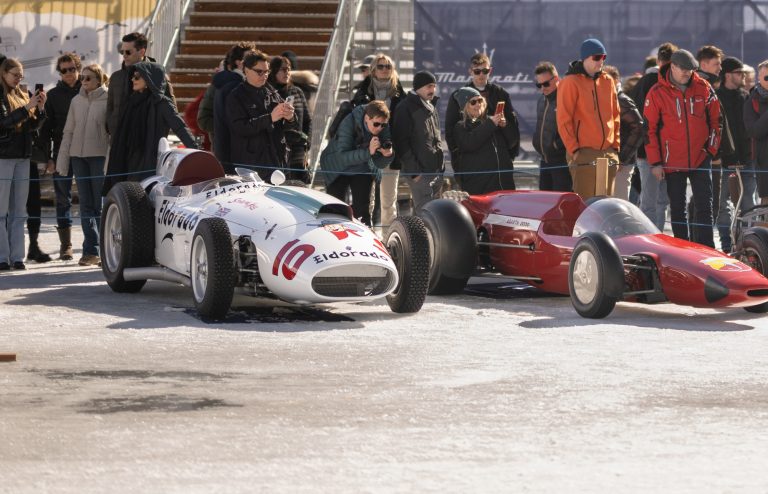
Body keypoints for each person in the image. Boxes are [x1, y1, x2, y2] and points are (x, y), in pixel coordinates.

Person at [644, 49, 721, 248]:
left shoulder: (703, 87)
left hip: (700, 157)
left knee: (705, 206)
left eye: (691, 69)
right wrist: (656, 162)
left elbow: (717, 121)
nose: (688, 73)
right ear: (673, 66)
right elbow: (649, 130)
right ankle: (682, 250)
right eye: (684, 69)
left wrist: (710, 150)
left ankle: (707, 248)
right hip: (671, 161)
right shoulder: (656, 92)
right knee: (677, 210)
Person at [102, 61, 197, 195]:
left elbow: (179, 127)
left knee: (142, 198)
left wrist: (196, 151)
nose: (132, 79)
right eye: (132, 76)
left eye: (137, 77)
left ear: (149, 79)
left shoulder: (162, 103)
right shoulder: (131, 102)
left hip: (149, 159)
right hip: (128, 159)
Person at [56, 64, 109, 266]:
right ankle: (90, 251)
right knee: (86, 205)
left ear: (99, 79)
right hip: (78, 157)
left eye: (88, 78)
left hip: (99, 157)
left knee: (101, 205)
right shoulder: (76, 101)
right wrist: (63, 159)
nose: (84, 81)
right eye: (83, 78)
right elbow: (68, 132)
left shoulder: (108, 99)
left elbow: (111, 134)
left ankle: (106, 252)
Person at [556, 38, 620, 199]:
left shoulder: (608, 81)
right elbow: (564, 119)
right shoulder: (570, 82)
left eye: (603, 57)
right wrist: (575, 150)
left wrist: (615, 147)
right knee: (586, 205)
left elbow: (616, 115)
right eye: (597, 57)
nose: (601, 61)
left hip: (608, 152)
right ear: (585, 57)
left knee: (606, 205)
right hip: (583, 152)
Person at [445, 53, 520, 189]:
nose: (481, 75)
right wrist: (458, 165)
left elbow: (513, 134)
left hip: (500, 170)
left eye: (484, 71)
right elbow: (453, 135)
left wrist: (504, 125)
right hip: (474, 171)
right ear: (471, 71)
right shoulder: (459, 96)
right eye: (477, 71)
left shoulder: (501, 93)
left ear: (490, 71)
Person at [0, 57, 47, 271]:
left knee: (19, 210)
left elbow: (31, 127)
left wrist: (39, 109)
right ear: (4, 73)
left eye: (21, 76)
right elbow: (4, 124)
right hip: (4, 156)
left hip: (23, 156)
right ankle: (2, 256)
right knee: (1, 211)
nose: (19, 79)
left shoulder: (22, 94)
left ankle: (17, 256)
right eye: (15, 75)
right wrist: (27, 106)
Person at [351, 53, 406, 228]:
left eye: (388, 66)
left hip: (389, 151)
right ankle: (367, 236)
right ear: (373, 69)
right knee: (366, 199)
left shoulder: (400, 95)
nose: (384, 69)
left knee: (388, 200)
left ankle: (389, 239)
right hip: (367, 150)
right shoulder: (361, 93)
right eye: (380, 66)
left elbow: (404, 128)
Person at [319, 101, 394, 226]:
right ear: (366, 118)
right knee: (335, 209)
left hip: (362, 169)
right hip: (338, 168)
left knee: (362, 212)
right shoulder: (349, 122)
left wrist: (388, 155)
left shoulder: (383, 127)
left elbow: (380, 164)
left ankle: (364, 242)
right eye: (376, 124)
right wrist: (368, 152)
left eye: (383, 125)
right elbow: (343, 157)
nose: (379, 128)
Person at [226, 51, 295, 181]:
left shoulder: (272, 92)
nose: (264, 75)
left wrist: (290, 117)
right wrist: (270, 118)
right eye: (259, 72)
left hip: (277, 161)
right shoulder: (235, 96)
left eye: (267, 72)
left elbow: (289, 127)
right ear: (246, 70)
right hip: (251, 166)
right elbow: (240, 127)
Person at [631, 42, 677, 229]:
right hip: (664, 150)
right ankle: (655, 238)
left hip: (646, 150)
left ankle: (649, 239)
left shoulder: (643, 83)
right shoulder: (669, 84)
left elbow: (638, 119)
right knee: (659, 202)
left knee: (650, 202)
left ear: (658, 60)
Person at [40, 52, 81, 260]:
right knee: (63, 199)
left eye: (72, 69)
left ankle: (94, 245)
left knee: (92, 199)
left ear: (78, 68)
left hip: (87, 152)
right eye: (64, 70)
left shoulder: (89, 89)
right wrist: (48, 157)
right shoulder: (53, 96)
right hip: (61, 153)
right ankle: (66, 246)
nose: (68, 74)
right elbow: (45, 131)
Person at [715, 56, 754, 252]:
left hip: (747, 160)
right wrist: (718, 154)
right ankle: (726, 244)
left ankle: (748, 245)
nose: (744, 76)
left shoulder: (746, 96)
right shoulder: (715, 96)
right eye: (739, 73)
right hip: (724, 162)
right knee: (723, 206)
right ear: (728, 75)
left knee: (749, 206)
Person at [392, 70, 444, 212]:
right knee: (425, 215)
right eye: (428, 86)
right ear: (418, 87)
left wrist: (441, 167)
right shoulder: (405, 107)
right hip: (420, 174)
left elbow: (435, 139)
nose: (432, 90)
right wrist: (414, 172)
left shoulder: (430, 106)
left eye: (434, 86)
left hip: (435, 172)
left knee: (435, 216)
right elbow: (401, 142)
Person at [106, 32, 176, 138]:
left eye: (128, 52)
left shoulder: (158, 76)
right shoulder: (116, 77)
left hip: (146, 142)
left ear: (142, 52)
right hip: (119, 141)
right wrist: (111, 128)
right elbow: (110, 107)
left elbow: (171, 110)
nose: (124, 55)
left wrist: (158, 137)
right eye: (122, 52)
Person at [451, 87, 516, 194]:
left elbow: (512, 143)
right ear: (465, 106)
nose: (478, 104)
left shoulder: (492, 121)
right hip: (479, 186)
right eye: (473, 102)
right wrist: (490, 124)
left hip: (504, 184)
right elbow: (469, 144)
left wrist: (505, 126)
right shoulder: (461, 126)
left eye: (480, 100)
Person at [209, 42, 255, 169]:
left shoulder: (229, 83)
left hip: (228, 151)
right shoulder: (235, 86)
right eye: (249, 58)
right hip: (235, 154)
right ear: (238, 62)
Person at [603, 65, 644, 201]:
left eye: (606, 78)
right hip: (605, 160)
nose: (602, 82)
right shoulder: (607, 99)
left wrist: (622, 159)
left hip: (621, 164)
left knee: (619, 205)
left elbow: (639, 128)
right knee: (604, 205)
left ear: (616, 80)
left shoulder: (622, 100)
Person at [268, 55, 312, 182]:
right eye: (283, 69)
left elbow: (308, 120)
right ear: (274, 71)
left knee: (299, 185)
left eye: (288, 69)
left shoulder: (297, 91)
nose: (287, 72)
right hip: (277, 150)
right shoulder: (269, 93)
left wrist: (306, 140)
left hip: (297, 149)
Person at [532, 61, 571, 191]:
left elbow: (574, 128)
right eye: (539, 85)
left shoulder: (565, 99)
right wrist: (536, 143)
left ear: (556, 79)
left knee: (561, 202)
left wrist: (556, 146)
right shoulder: (541, 100)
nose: (542, 88)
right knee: (545, 201)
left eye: (546, 83)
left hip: (561, 162)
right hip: (544, 160)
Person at [744, 60, 768, 205]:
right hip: (765, 162)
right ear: (759, 78)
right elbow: (754, 131)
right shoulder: (752, 101)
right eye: (766, 77)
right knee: (766, 203)